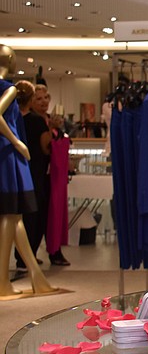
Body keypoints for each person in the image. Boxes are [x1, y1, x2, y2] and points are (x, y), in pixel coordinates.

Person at [0, 45, 56, 296]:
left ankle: (35, 276)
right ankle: (3, 281)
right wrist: (17, 142)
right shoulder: (9, 88)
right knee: (11, 215)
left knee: (16, 217)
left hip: (8, 155)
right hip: (10, 155)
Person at [14, 81, 51, 272]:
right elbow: (46, 148)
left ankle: (22, 257)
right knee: (35, 216)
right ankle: (26, 257)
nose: (43, 102)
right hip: (35, 172)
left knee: (20, 215)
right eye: (38, 98)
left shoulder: (13, 119)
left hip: (18, 172)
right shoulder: (36, 122)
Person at [46, 93, 71, 266]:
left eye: (45, 98)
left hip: (57, 177)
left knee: (57, 213)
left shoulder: (53, 128)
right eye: (38, 99)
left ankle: (55, 250)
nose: (44, 102)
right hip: (48, 177)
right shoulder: (42, 125)